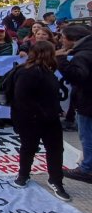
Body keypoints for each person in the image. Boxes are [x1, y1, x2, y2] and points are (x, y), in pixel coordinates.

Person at [11, 41, 70, 201]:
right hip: (32, 119)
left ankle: (56, 180)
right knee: (29, 147)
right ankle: (23, 175)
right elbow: (21, 98)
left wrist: (56, 109)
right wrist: (42, 113)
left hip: (49, 118)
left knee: (55, 150)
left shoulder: (47, 70)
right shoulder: (27, 72)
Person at [57, 25, 92, 183]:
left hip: (88, 102)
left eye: (63, 37)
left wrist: (61, 60)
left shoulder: (83, 55)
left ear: (73, 39)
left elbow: (78, 77)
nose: (61, 40)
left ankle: (87, 170)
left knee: (87, 136)